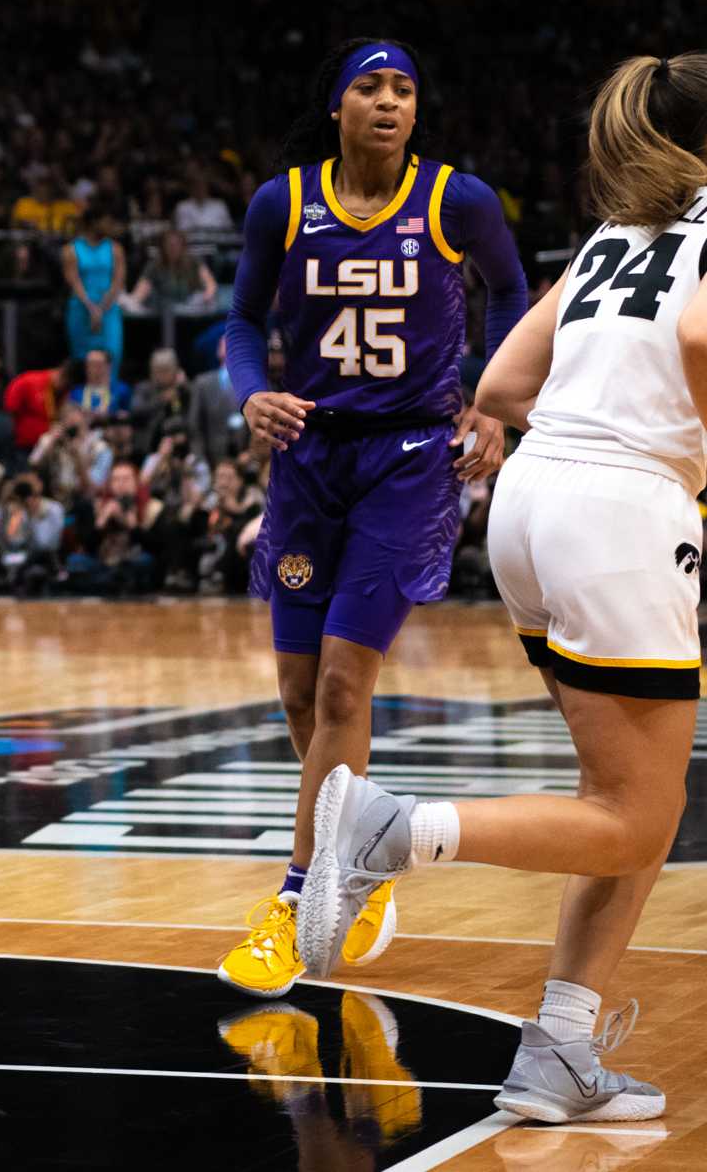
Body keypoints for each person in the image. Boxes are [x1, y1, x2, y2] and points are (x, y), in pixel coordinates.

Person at [300, 54, 707, 1124]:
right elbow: (703, 339)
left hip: (531, 504)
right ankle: (396, 828)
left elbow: (501, 386)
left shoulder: (616, 238)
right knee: (628, 813)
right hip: (622, 512)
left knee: (634, 809)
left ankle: (558, 1049)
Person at [215, 37, 526, 999]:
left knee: (348, 689)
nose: (389, 101)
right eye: (371, 87)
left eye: (404, 89)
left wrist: (491, 405)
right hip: (308, 458)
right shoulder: (284, 202)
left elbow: (514, 293)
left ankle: (305, 890)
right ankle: (365, 856)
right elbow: (239, 321)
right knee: (302, 695)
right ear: (339, 105)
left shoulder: (455, 200)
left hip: (409, 458)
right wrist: (251, 393)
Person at [61, 204, 126, 366]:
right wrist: (91, 308)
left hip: (108, 309)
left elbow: (118, 282)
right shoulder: (71, 250)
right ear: (94, 222)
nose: (110, 226)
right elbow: (73, 281)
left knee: (112, 356)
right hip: (81, 308)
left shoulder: (116, 249)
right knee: (82, 361)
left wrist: (101, 309)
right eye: (106, 222)